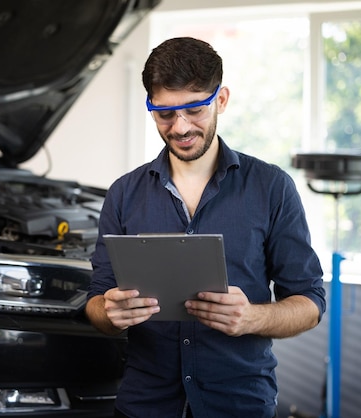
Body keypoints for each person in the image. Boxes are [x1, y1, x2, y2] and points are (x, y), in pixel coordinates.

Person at [85, 37, 326, 418]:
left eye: (195, 109)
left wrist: (253, 318)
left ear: (222, 100)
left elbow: (310, 303)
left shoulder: (271, 187)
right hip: (144, 404)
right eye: (164, 113)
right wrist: (108, 314)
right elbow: (96, 302)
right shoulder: (123, 193)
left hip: (239, 404)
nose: (180, 127)